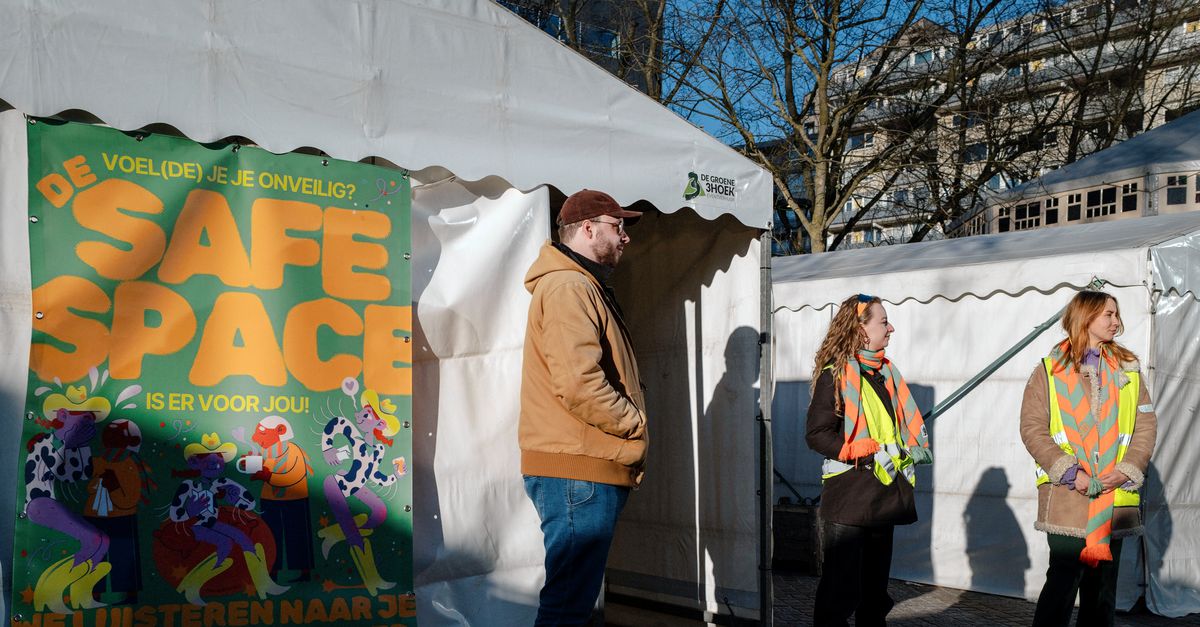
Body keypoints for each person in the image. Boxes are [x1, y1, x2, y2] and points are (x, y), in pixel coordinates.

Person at [520, 188, 648, 626]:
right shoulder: (569, 286)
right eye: (618, 226)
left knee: (572, 600)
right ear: (588, 229)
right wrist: (633, 422)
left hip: (584, 465)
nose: (625, 237)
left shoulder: (579, 284)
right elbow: (578, 382)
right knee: (568, 605)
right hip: (578, 468)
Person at [1020, 291, 1156, 627]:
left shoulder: (1129, 371)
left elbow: (1145, 427)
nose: (1116, 321)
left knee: (1102, 593)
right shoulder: (1048, 371)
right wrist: (1069, 472)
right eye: (1108, 314)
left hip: (1114, 496)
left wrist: (1127, 470)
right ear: (1086, 317)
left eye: (1116, 314)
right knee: (1062, 587)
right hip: (1069, 497)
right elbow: (1033, 429)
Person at [805, 294, 932, 627]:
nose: (891, 328)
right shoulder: (836, 375)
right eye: (883, 322)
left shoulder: (886, 374)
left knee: (874, 599)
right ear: (861, 330)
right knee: (839, 597)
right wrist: (850, 449)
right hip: (850, 501)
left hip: (882, 498)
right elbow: (817, 433)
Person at [248, 415, 314, 583]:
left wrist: (268, 476)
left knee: (297, 535)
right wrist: (253, 466)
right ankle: (272, 571)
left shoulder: (293, 451)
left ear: (280, 431)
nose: (255, 438)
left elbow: (294, 476)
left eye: (261, 433)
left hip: (295, 500)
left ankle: (303, 571)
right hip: (270, 500)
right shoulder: (269, 454)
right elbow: (266, 472)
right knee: (270, 536)